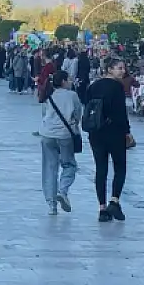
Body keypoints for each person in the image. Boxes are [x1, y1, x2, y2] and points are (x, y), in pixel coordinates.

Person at [83, 58, 133, 223]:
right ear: (109, 69)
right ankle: (114, 200)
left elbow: (87, 107)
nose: (123, 71)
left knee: (101, 169)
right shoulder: (117, 87)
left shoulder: (93, 86)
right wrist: (127, 131)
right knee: (120, 167)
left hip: (96, 132)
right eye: (119, 68)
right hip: (114, 132)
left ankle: (102, 208)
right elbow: (120, 112)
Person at [39, 69, 82, 217]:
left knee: (49, 168)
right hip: (65, 135)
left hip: (47, 134)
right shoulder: (72, 95)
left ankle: (51, 205)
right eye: (68, 79)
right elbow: (78, 114)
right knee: (69, 165)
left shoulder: (48, 95)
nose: (70, 82)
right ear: (63, 81)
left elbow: (44, 114)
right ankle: (62, 191)